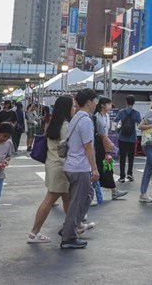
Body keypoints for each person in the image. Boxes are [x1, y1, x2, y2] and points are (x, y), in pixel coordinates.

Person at [27, 96, 72, 244]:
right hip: (60, 166)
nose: (74, 109)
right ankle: (34, 232)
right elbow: (67, 148)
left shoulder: (53, 122)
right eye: (73, 106)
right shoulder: (65, 125)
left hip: (52, 163)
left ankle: (75, 225)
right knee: (50, 198)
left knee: (66, 198)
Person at [60, 88, 100, 249]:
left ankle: (69, 227)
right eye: (95, 100)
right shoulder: (85, 121)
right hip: (79, 166)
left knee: (87, 195)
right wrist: (95, 168)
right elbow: (88, 147)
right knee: (78, 201)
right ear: (89, 102)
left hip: (72, 164)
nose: (96, 103)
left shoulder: (76, 118)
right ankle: (68, 236)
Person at [92, 97, 127, 202]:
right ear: (102, 105)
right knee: (101, 168)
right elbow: (101, 135)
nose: (110, 106)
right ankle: (110, 191)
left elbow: (106, 133)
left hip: (105, 144)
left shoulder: (107, 116)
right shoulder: (97, 117)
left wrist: (109, 143)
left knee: (107, 168)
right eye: (108, 104)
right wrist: (108, 145)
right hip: (99, 146)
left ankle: (114, 190)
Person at [114, 95, 140, 182]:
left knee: (122, 157)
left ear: (126, 102)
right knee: (131, 157)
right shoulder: (136, 113)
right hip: (132, 138)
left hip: (122, 137)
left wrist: (117, 130)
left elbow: (115, 122)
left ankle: (122, 176)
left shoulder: (121, 112)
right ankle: (130, 174)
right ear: (134, 103)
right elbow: (140, 123)